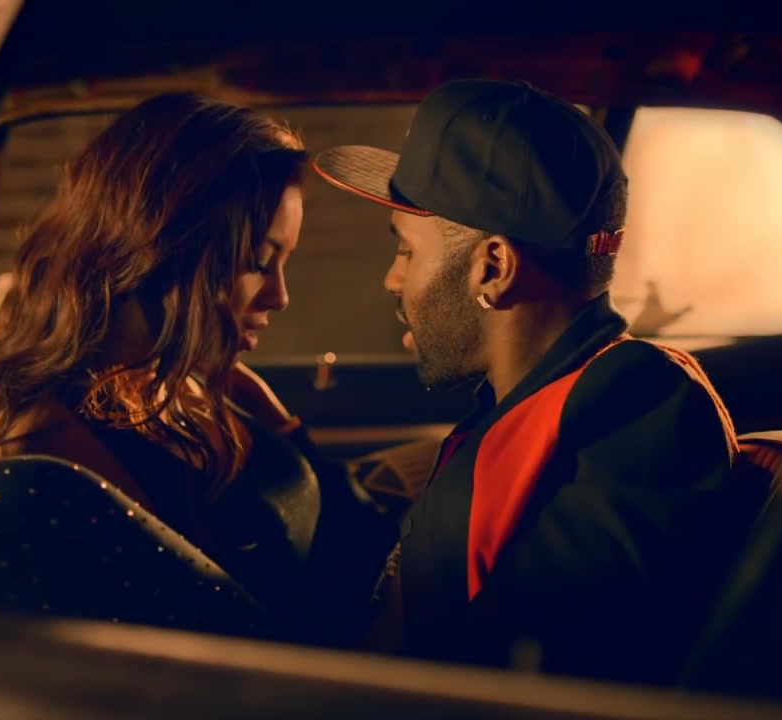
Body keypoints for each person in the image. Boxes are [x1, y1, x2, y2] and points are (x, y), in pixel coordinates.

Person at [314, 79, 748, 683]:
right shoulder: (520, 404)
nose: (393, 279)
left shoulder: (635, 404)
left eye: (407, 251)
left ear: (492, 267)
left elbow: (538, 671)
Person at [0, 93, 395, 645]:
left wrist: (283, 426)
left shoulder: (212, 385)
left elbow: (354, 538)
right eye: (258, 262)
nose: (280, 296)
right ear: (169, 249)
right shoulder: (52, 444)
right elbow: (215, 631)